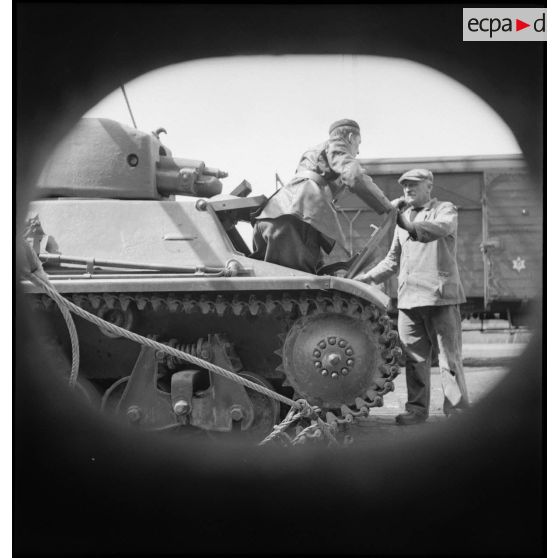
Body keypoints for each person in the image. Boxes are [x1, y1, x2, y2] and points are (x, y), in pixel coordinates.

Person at [355, 168, 469, 424]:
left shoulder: (444, 209)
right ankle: (416, 410)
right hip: (409, 300)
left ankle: (457, 412)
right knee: (415, 359)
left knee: (449, 358)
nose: (408, 189)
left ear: (429, 185)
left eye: (414, 184)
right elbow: (392, 261)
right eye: (405, 185)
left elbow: (439, 229)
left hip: (440, 298)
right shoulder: (403, 218)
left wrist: (404, 222)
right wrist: (365, 278)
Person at [250, 119, 392, 273]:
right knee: (297, 286)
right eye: (358, 144)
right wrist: (388, 207)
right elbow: (354, 176)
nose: (358, 152)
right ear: (351, 137)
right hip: (294, 220)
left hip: (273, 217)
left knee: (280, 285)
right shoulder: (338, 145)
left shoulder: (312, 153)